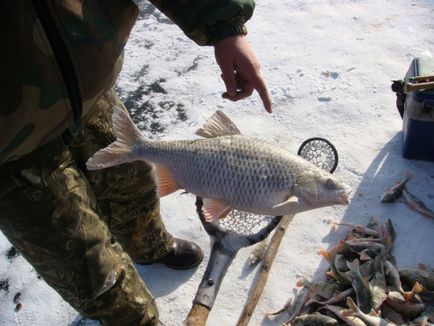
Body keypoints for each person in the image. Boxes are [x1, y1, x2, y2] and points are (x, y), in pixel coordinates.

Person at [0, 1, 271, 325]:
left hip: (89, 89)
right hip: (9, 153)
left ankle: (151, 246)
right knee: (87, 269)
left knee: (133, 184)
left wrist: (223, 21)